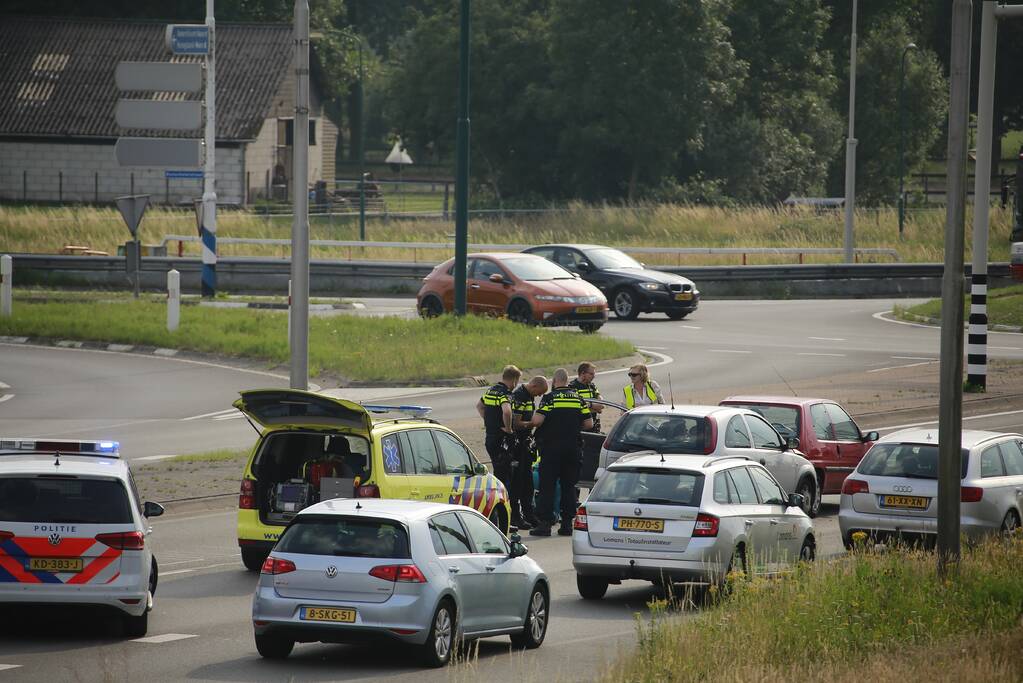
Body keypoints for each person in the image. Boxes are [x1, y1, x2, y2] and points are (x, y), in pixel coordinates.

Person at [529, 368, 592, 537]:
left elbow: (537, 421)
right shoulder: (578, 399)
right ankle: (566, 524)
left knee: (547, 486)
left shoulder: (549, 398)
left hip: (551, 450)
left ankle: (545, 524)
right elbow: (589, 424)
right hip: (572, 449)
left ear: (554, 382)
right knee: (568, 486)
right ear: (567, 380)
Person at [510, 375, 549, 529]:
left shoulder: (528, 396)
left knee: (527, 482)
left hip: (525, 444)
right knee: (517, 482)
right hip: (517, 445)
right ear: (534, 386)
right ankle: (515, 516)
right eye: (539, 392)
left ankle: (528, 514)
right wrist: (533, 424)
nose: (539, 396)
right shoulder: (520, 397)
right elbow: (516, 423)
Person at [477, 365, 521, 498]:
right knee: (505, 474)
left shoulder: (491, 390)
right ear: (514, 380)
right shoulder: (505, 393)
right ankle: (503, 500)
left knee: (497, 469)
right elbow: (507, 411)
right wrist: (508, 429)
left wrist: (490, 421)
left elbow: (479, 406)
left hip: (490, 437)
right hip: (501, 440)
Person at [568, 361, 603, 432]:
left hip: (595, 427)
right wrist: (593, 407)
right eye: (591, 374)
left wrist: (589, 405)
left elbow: (601, 406)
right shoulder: (572, 387)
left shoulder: (592, 386)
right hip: (581, 428)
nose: (594, 376)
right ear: (583, 373)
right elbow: (577, 409)